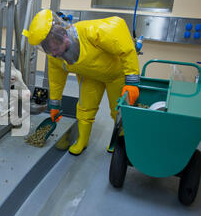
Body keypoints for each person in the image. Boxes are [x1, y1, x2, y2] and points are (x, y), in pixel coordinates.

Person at [23, 9, 140, 155]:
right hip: (90, 77)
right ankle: (82, 140)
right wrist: (55, 104)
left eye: (50, 46)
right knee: (84, 109)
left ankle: (120, 142)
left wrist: (132, 80)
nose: (52, 53)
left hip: (116, 75)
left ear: (61, 34)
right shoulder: (56, 57)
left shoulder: (92, 32)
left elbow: (123, 38)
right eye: (45, 48)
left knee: (119, 111)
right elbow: (56, 81)